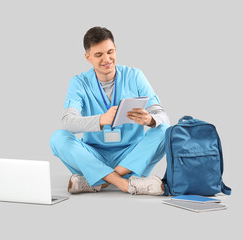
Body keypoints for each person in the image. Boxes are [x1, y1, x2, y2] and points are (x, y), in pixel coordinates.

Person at [50, 26, 170, 195]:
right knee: (58, 138)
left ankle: (100, 180)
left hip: (130, 155)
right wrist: (101, 120)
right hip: (94, 154)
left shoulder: (135, 76)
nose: (107, 59)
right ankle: (126, 183)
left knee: (165, 131)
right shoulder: (79, 82)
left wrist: (150, 119)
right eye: (98, 55)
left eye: (110, 52)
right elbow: (67, 122)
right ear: (88, 57)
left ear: (116, 49)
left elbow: (163, 116)